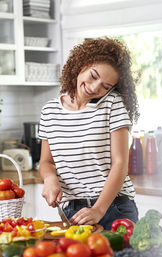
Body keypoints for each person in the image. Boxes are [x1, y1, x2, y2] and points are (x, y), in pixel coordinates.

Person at [38, 37, 140, 230]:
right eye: (93, 76)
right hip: (72, 211)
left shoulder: (112, 105)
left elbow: (120, 164)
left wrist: (98, 209)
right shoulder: (49, 111)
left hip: (113, 207)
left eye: (105, 87)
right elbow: (46, 162)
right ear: (81, 64)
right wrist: (50, 178)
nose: (94, 88)